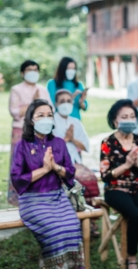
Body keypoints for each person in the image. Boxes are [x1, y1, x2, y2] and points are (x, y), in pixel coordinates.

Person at [10, 99, 85, 269]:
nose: (46, 119)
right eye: (41, 115)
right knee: (54, 231)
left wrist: (55, 167)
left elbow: (70, 172)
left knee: (72, 227)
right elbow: (17, 178)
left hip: (57, 198)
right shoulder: (22, 145)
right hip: (32, 200)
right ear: (31, 120)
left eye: (49, 115)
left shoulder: (58, 143)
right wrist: (44, 169)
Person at [100, 99, 138, 269]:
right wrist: (126, 165)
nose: (129, 120)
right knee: (135, 215)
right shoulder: (107, 142)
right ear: (115, 121)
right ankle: (131, 257)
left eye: (132, 116)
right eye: (124, 117)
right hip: (115, 189)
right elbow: (105, 175)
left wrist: (137, 164)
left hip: (137, 187)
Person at [53, 89, 100, 236]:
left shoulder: (76, 122)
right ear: (56, 104)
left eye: (68, 101)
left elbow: (85, 146)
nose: (66, 104)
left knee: (89, 178)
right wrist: (65, 139)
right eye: (62, 101)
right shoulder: (51, 121)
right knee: (71, 179)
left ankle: (89, 219)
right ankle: (68, 221)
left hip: (75, 161)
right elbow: (49, 146)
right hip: (57, 162)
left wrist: (72, 139)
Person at [8, 60, 52, 206]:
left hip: (40, 132)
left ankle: (40, 198)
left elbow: (50, 109)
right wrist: (34, 102)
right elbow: (15, 112)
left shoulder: (43, 89)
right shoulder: (16, 89)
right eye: (29, 69)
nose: (33, 72)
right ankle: (19, 200)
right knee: (21, 164)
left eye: (35, 69)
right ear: (22, 73)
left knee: (39, 163)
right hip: (21, 130)